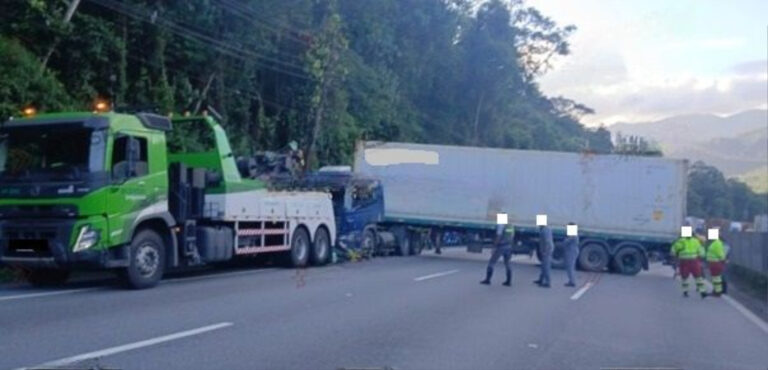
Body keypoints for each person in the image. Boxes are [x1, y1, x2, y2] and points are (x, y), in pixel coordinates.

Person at [670, 231, 706, 298]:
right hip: (694, 261)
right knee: (698, 276)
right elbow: (702, 253)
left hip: (684, 261)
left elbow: (673, 251)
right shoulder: (696, 241)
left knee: (684, 277)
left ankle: (685, 291)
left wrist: (675, 256)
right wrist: (700, 257)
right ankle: (702, 291)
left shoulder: (681, 241)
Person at [563, 222, 579, 287]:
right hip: (572, 251)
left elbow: (566, 242)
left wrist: (566, 239)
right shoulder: (574, 235)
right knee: (570, 267)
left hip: (571, 252)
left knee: (570, 267)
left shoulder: (573, 235)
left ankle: (572, 282)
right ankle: (571, 280)